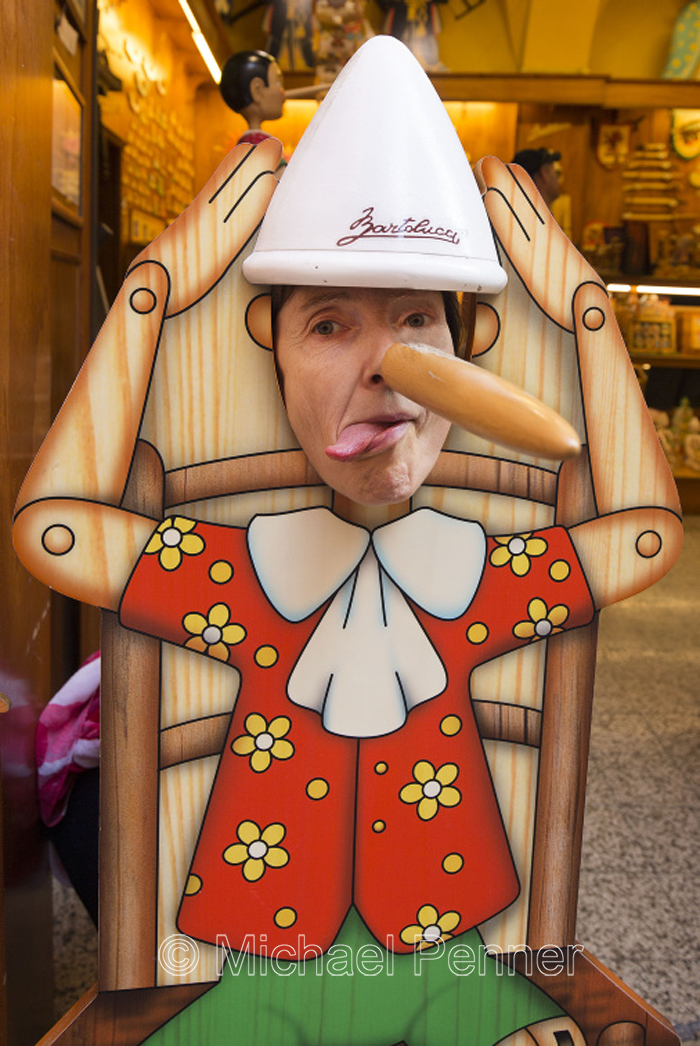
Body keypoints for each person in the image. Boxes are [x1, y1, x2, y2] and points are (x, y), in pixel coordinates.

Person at [14, 37, 681, 1046]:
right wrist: (151, 292)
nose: (385, 366)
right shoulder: (240, 576)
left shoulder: (478, 577)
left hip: (453, 955)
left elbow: (642, 539)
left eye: (417, 320)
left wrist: (585, 314)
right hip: (259, 960)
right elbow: (57, 530)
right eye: (328, 325)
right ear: (272, 358)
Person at [220, 50, 286, 147]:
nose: (283, 92)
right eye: (278, 83)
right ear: (257, 90)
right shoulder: (258, 144)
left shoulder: (248, 143)